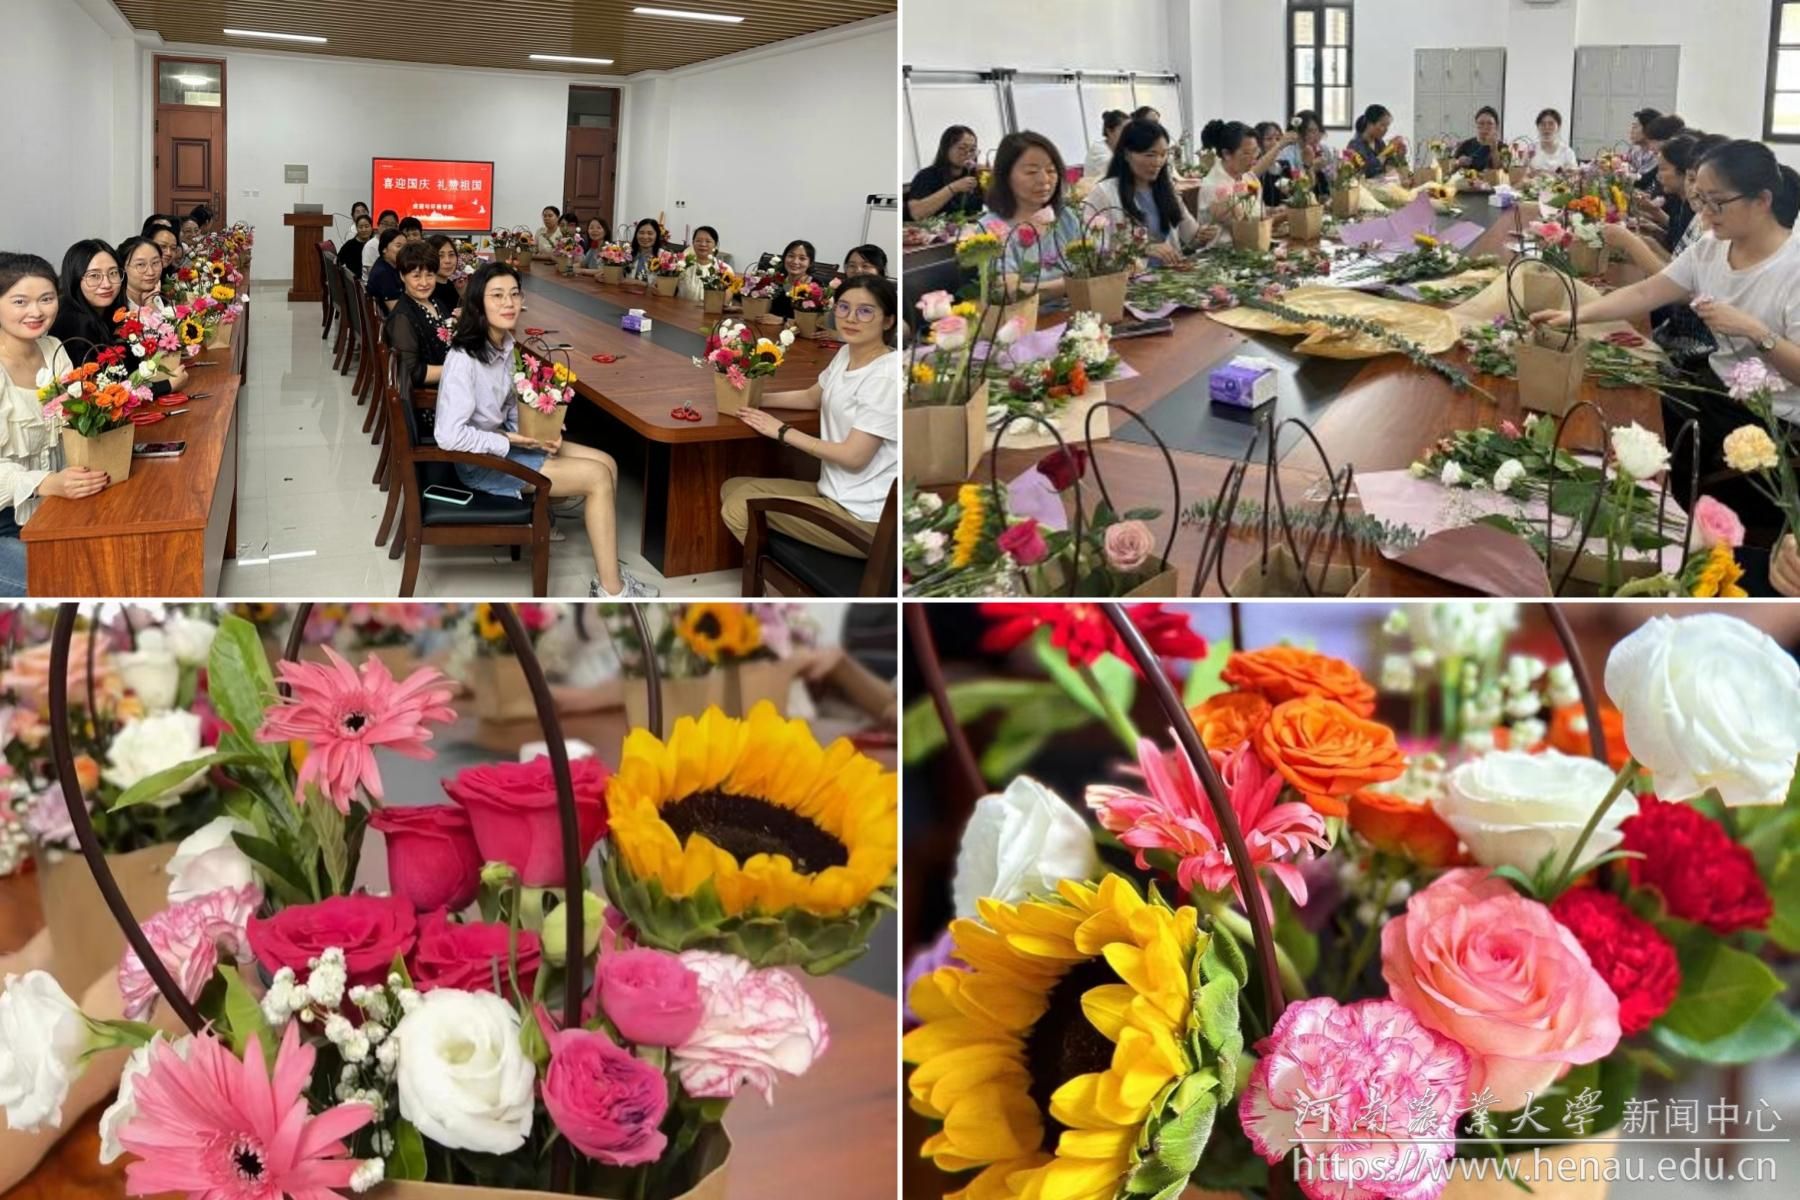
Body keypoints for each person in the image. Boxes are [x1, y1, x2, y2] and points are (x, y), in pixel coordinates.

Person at [1531, 140, 1800, 531]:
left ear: (1762, 200)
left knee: (1642, 431)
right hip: (1715, 386)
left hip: (1771, 417)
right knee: (1626, 399)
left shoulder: (1793, 268)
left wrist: (1755, 332)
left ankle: (1667, 528)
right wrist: (1574, 315)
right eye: (1701, 200)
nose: (1704, 214)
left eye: (1717, 203)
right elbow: (1646, 292)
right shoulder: (1711, 248)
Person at [435, 261, 654, 598]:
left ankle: (607, 564)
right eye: (497, 296)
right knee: (596, 477)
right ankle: (612, 589)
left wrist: (541, 434)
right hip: (481, 462)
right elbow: (449, 436)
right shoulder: (465, 359)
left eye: (514, 294)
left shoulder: (504, 344)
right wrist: (510, 439)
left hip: (507, 444)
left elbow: (509, 406)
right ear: (478, 303)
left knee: (608, 463)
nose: (509, 303)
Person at [723, 276, 897, 561]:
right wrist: (752, 398)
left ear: (888, 321)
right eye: (843, 307)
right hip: (833, 493)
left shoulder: (886, 376)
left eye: (865, 311)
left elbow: (854, 456)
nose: (851, 318)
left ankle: (780, 582)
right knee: (732, 488)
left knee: (738, 506)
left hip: (865, 518)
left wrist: (782, 431)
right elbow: (811, 397)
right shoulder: (847, 353)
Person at [0, 253, 109, 594]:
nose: (36, 312)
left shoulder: (52, 349)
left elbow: (72, 421)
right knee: (64, 586)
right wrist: (46, 482)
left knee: (112, 565)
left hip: (50, 505)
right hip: (7, 518)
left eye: (46, 299)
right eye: (20, 301)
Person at [49, 240, 184, 396]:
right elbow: (102, 393)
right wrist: (167, 386)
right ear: (75, 278)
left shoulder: (111, 312)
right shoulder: (74, 323)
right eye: (94, 276)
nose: (107, 284)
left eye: (113, 273)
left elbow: (130, 371)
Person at [1084, 118, 1210, 263]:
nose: (1158, 162)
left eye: (1163, 154)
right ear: (1126, 154)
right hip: (1131, 276)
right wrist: (1142, 248)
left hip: (1171, 272)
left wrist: (1204, 235)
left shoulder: (1166, 189)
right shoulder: (1105, 193)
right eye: (1150, 155)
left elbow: (1192, 238)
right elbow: (1093, 248)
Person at [977, 131, 1083, 299]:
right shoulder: (992, 228)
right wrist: (1075, 285)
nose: (1044, 179)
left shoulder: (1065, 216)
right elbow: (1009, 291)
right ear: (1005, 176)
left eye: (1051, 170)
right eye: (1031, 172)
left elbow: (1092, 262)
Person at [385, 239, 456, 400]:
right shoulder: (402, 318)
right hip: (433, 397)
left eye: (430, 275)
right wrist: (458, 369)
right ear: (402, 276)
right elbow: (412, 372)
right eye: (416, 276)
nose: (424, 283)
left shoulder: (435, 302)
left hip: (449, 382)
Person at [1197, 119, 1283, 246]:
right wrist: (1284, 216)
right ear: (1226, 154)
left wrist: (1273, 211)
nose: (1254, 158)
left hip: (1255, 244)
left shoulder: (1249, 178)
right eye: (1247, 153)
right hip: (1224, 252)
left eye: (1256, 151)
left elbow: (1257, 212)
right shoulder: (1213, 186)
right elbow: (1244, 227)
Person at [907, 125, 983, 221]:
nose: (968, 154)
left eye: (972, 150)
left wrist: (991, 179)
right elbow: (917, 214)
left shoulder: (975, 174)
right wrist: (953, 188)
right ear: (946, 149)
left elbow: (995, 206)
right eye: (962, 148)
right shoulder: (926, 176)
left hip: (973, 228)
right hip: (936, 229)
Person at [1273, 110, 1336, 200]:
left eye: (1317, 130)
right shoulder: (1287, 154)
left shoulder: (1324, 150)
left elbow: (1333, 181)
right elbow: (1293, 187)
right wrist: (1311, 168)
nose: (1316, 135)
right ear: (1298, 133)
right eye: (1310, 131)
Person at [767, 238, 820, 320]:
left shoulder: (816, 287)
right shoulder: (776, 280)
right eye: (791, 256)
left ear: (810, 263)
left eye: (802, 258)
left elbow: (814, 321)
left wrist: (783, 320)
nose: (795, 262)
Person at [1345, 104, 1402, 178]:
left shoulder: (1379, 143)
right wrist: (1386, 153)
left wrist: (1399, 155)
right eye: (1382, 125)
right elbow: (1367, 171)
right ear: (1370, 124)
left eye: (1387, 126)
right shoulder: (1354, 145)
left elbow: (1389, 164)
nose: (1386, 130)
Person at [676, 225, 728, 302]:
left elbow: (726, 300)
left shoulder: (724, 269)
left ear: (715, 245)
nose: (703, 244)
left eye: (708, 241)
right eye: (698, 241)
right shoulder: (682, 266)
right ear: (693, 243)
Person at [117, 236, 165, 313]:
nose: (151, 272)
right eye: (140, 264)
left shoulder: (156, 294)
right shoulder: (116, 308)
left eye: (155, 263)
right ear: (123, 268)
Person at [1525, 108, 1577, 173]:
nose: (1547, 128)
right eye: (1543, 124)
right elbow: (1522, 172)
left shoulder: (1567, 152)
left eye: (1551, 124)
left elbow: (1573, 175)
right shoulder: (1531, 149)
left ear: (1559, 127)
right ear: (1538, 127)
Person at [366, 228, 406, 310]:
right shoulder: (383, 273)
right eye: (398, 246)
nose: (403, 250)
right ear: (384, 248)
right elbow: (396, 310)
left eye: (405, 246)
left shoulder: (389, 264)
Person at [1453, 106, 1503, 172]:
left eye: (1490, 123)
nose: (1485, 127)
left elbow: (1503, 172)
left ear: (1496, 127)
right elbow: (1451, 168)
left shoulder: (1503, 148)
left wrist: (1494, 149)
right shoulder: (1465, 145)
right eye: (1481, 123)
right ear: (1476, 125)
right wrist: (1458, 163)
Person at [1083, 110, 1129, 180]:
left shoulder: (1119, 149)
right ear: (1109, 131)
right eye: (1124, 130)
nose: (1128, 134)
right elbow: (1117, 171)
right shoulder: (1098, 150)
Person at [425, 234, 462, 309]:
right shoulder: (426, 291)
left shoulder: (451, 285)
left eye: (451, 255)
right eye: (440, 256)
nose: (447, 261)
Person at [1627, 107, 1663, 175]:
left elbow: (1641, 178)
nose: (1631, 131)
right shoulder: (1634, 152)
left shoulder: (1659, 155)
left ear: (1648, 129)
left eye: (1635, 127)